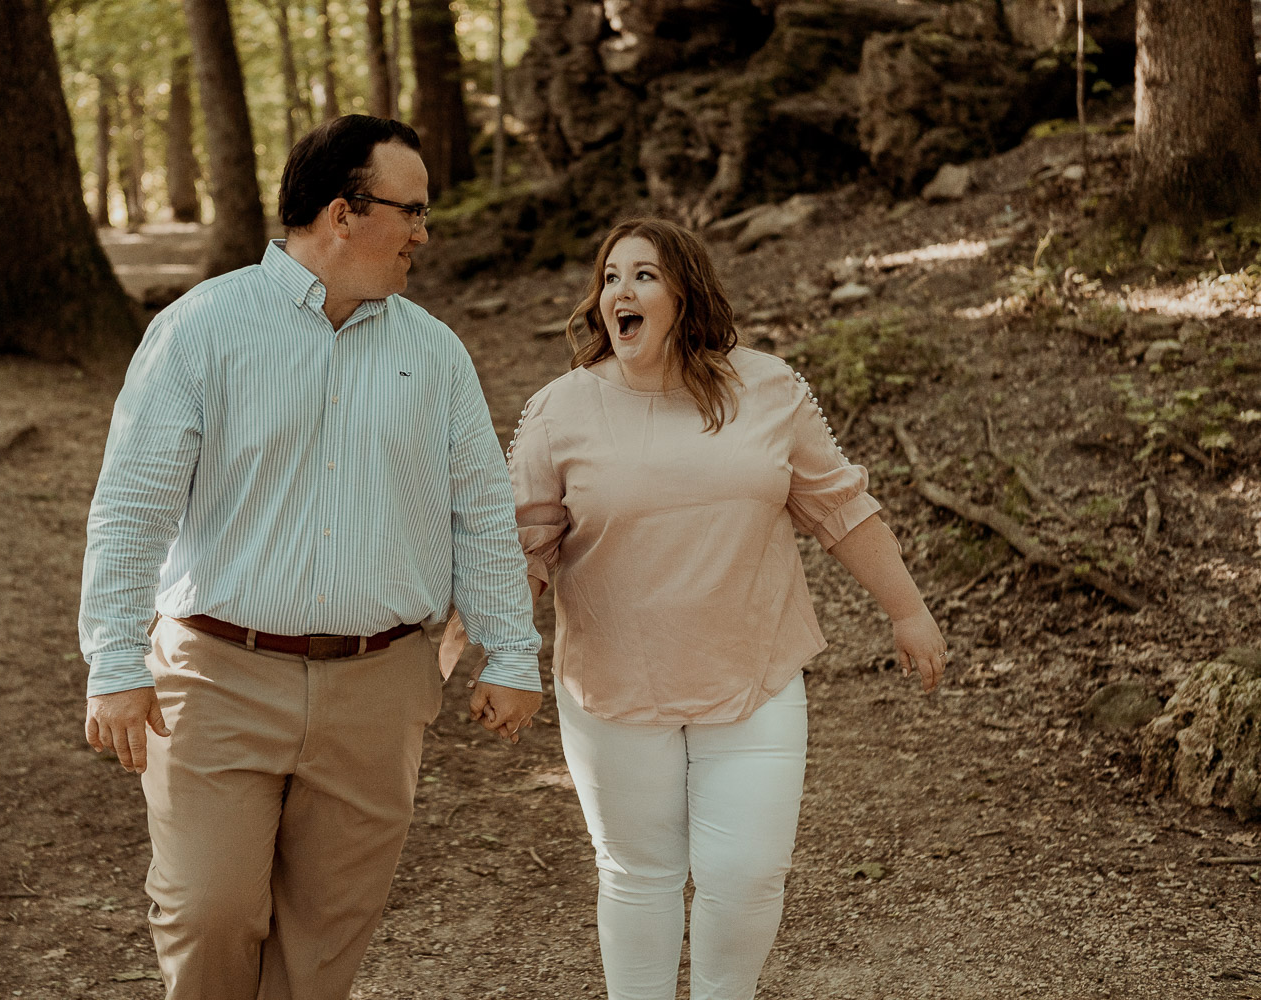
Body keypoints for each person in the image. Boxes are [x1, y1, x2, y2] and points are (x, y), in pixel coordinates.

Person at [77, 115, 543, 1000]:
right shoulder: (200, 331)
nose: (423, 233)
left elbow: (481, 511)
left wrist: (511, 649)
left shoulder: (434, 352)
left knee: (326, 941)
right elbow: (133, 509)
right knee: (208, 913)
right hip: (215, 680)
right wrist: (113, 660)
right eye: (410, 210)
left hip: (380, 684)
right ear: (343, 211)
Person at [460, 217, 948, 1000]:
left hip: (754, 673)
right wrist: (505, 654)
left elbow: (839, 508)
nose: (623, 290)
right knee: (638, 874)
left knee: (749, 873)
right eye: (611, 276)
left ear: (685, 293)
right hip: (615, 686)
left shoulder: (768, 387)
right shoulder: (560, 410)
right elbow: (525, 551)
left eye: (645, 275)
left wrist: (907, 609)